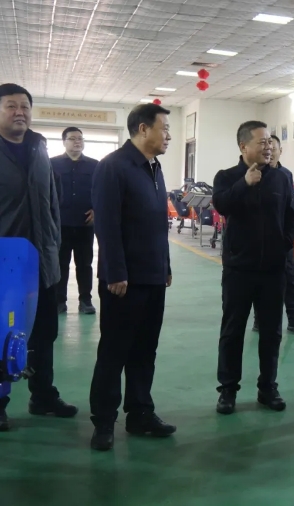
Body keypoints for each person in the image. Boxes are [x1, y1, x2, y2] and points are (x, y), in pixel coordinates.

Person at [89, 103, 175, 451]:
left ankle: (140, 413)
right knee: (114, 352)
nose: (168, 135)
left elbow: (158, 224)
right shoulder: (114, 166)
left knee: (145, 350)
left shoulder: (154, 167)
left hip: (152, 276)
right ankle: (103, 421)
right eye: (164, 128)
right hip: (123, 281)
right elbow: (106, 224)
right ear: (143, 129)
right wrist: (115, 271)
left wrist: (165, 266)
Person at [0, 83, 78, 431]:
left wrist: (54, 243)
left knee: (44, 333)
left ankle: (43, 395)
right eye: (11, 106)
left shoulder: (39, 148)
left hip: (42, 260)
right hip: (4, 263)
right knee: (1, 333)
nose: (20, 112)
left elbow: (51, 201)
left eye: (25, 106)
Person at [212, 120, 294, 415]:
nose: (268, 146)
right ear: (243, 146)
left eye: (270, 142)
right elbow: (221, 205)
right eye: (262, 142)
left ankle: (268, 387)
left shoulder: (282, 177)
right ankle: (228, 389)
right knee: (232, 330)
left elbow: (292, 214)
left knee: (272, 332)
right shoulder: (227, 177)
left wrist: (283, 244)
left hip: (273, 270)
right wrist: (244, 184)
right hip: (238, 269)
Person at [252, 134, 294, 335]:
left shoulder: (285, 175)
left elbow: (291, 209)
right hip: (261, 241)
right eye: (266, 146)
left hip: (282, 240)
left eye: (273, 147)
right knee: (259, 281)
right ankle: (258, 319)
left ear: (279, 151)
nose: (269, 150)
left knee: (289, 280)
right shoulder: (256, 174)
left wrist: (287, 240)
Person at [51, 127, 98, 315]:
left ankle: (85, 300)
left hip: (85, 224)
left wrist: (96, 209)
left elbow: (102, 191)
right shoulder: (52, 164)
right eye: (72, 138)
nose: (77, 141)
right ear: (64, 142)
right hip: (60, 224)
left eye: (80, 138)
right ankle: (59, 301)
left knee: (85, 264)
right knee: (61, 263)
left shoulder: (95, 165)